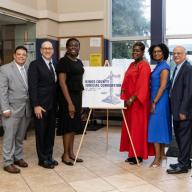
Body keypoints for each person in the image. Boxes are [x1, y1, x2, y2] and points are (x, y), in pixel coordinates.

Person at [120, 42, 154, 164]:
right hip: (128, 102)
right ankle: (131, 152)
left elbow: (142, 85)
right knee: (130, 127)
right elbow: (125, 82)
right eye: (134, 50)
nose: (135, 52)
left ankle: (138, 155)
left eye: (138, 50)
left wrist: (132, 98)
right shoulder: (131, 65)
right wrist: (123, 97)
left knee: (138, 128)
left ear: (143, 52)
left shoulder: (144, 65)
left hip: (138, 103)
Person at [0, 46, 31, 173]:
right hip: (11, 110)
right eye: (19, 54)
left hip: (25, 109)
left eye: (24, 54)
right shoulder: (5, 69)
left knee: (19, 136)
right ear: (14, 55)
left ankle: (18, 157)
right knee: (9, 137)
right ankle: (7, 162)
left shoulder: (28, 68)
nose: (21, 56)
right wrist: (5, 108)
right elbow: (2, 91)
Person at [28, 41, 58, 169]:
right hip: (41, 106)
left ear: (53, 50)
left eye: (49, 48)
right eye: (45, 48)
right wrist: (35, 105)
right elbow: (32, 87)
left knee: (50, 133)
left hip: (53, 105)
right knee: (41, 133)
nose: (47, 50)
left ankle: (49, 156)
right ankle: (42, 159)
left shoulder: (55, 64)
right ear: (40, 50)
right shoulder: (35, 65)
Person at [56, 38, 84, 165]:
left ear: (79, 48)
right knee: (67, 126)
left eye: (76, 45)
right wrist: (70, 103)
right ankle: (65, 155)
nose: (74, 47)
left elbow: (79, 81)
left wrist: (79, 103)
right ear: (67, 47)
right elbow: (62, 83)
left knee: (73, 127)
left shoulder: (79, 62)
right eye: (71, 45)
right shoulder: (63, 62)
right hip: (67, 98)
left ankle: (71, 153)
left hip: (77, 97)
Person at [167, 46, 192, 174]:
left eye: (179, 53)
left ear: (185, 55)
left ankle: (182, 166)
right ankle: (185, 162)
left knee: (184, 138)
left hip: (183, 112)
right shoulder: (177, 68)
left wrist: (184, 111)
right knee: (181, 138)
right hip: (177, 110)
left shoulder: (188, 69)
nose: (176, 55)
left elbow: (189, 92)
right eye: (174, 53)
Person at [148, 43, 172, 168]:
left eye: (159, 51)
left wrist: (154, 102)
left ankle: (157, 159)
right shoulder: (159, 66)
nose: (156, 53)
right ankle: (162, 154)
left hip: (159, 101)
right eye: (154, 51)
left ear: (164, 53)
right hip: (158, 100)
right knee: (160, 126)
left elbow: (162, 86)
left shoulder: (164, 67)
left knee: (155, 127)